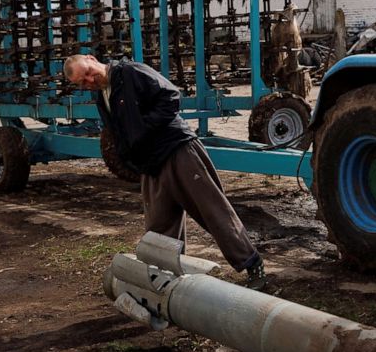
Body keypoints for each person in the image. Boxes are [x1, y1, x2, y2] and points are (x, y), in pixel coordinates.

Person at [63, 53, 267, 289]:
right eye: (82, 82)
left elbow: (170, 97)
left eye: (88, 72)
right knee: (159, 228)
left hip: (177, 149)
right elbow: (118, 133)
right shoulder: (102, 96)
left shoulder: (130, 72)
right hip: (152, 163)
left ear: (92, 58)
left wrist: (144, 130)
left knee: (213, 211)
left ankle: (253, 264)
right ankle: (169, 282)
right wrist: (130, 159)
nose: (89, 80)